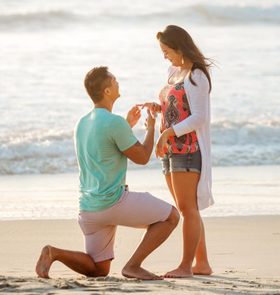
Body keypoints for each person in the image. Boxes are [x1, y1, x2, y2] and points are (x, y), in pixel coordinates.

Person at [35, 66, 179, 280]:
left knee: (99, 270)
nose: (117, 82)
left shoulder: (82, 123)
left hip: (88, 210)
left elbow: (105, 148)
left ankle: (53, 252)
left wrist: (127, 125)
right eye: (114, 80)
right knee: (171, 217)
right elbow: (141, 157)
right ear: (107, 92)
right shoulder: (114, 123)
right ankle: (133, 265)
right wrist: (150, 128)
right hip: (113, 202)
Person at [143, 25, 214, 278]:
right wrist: (159, 109)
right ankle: (202, 263)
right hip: (170, 148)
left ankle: (186, 266)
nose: (164, 56)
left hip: (187, 148)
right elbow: (178, 108)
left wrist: (167, 134)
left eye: (166, 51)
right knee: (186, 207)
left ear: (179, 47)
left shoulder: (196, 76)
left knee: (187, 209)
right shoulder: (174, 71)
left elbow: (199, 118)